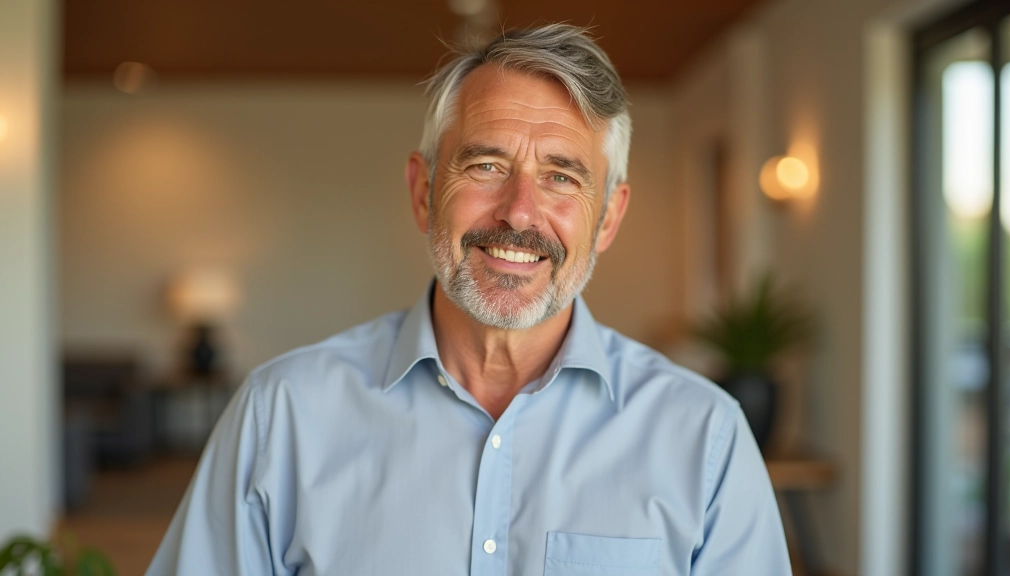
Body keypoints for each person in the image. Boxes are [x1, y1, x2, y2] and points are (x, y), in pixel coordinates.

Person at [146, 24, 791, 576]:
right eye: (484, 166)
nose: (519, 213)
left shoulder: (706, 438)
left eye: (561, 176)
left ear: (608, 218)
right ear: (424, 191)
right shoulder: (280, 415)